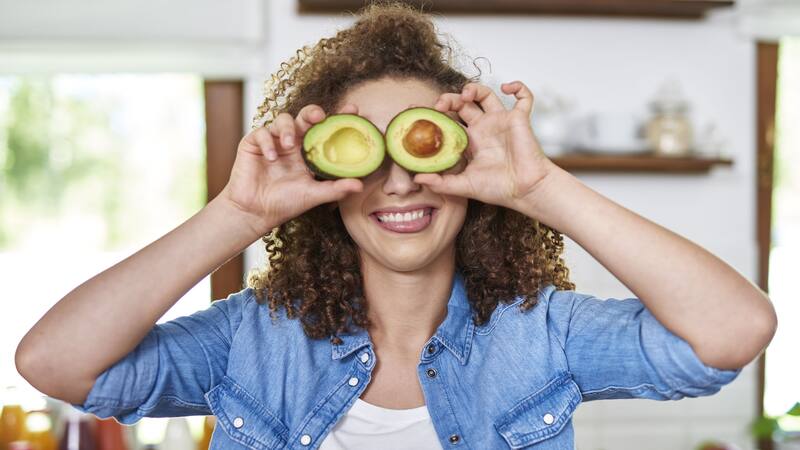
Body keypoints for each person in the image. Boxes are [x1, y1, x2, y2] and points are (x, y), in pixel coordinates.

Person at [15, 3, 777, 450]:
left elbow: (733, 331)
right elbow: (57, 364)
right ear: (324, 183)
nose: (401, 179)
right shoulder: (250, 339)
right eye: (366, 152)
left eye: (420, 148)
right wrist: (236, 215)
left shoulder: (542, 334)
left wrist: (540, 187)